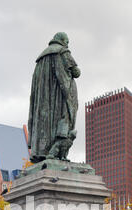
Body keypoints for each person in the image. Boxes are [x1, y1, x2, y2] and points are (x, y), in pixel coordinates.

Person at [28, 32, 81, 163]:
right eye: (67, 41)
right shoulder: (63, 52)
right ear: (62, 40)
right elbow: (76, 72)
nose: (68, 44)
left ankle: (42, 152)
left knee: (44, 124)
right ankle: (56, 153)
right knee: (62, 119)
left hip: (43, 101)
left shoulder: (40, 59)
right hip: (59, 97)